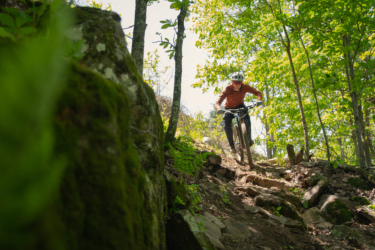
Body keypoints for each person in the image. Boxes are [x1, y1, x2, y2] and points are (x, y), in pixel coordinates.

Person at [215, 72, 263, 153]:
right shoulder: (227, 89)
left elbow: (258, 92)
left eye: (239, 82)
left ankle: (249, 139)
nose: (237, 84)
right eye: (235, 82)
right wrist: (218, 108)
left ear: (241, 82)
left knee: (247, 118)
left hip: (240, 106)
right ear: (232, 82)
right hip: (228, 108)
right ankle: (232, 146)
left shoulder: (245, 87)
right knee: (227, 125)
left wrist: (259, 100)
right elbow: (218, 102)